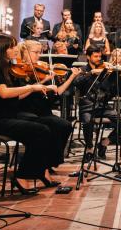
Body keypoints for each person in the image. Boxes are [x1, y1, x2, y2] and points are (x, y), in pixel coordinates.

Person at [0, 33, 61, 194]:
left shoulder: (7, 68)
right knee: (41, 131)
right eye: (11, 47)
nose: (15, 49)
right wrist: (31, 87)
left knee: (47, 126)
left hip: (8, 116)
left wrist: (38, 86)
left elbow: (16, 95)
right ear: (2, 49)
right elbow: (4, 93)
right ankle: (23, 175)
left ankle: (39, 170)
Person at [14, 40, 78, 170]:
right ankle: (43, 165)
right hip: (27, 112)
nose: (39, 56)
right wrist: (44, 81)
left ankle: (50, 162)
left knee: (65, 126)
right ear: (25, 52)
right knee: (56, 126)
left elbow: (58, 92)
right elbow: (19, 96)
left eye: (40, 52)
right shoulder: (20, 72)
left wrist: (70, 77)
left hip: (42, 111)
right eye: (36, 52)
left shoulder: (38, 69)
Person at [74, 47, 121, 161]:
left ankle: (104, 143)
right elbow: (77, 83)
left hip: (101, 105)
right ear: (88, 57)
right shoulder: (83, 69)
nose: (99, 59)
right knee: (87, 121)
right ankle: (89, 148)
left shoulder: (105, 70)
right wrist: (91, 73)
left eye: (100, 56)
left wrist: (119, 77)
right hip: (87, 106)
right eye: (96, 56)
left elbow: (113, 89)